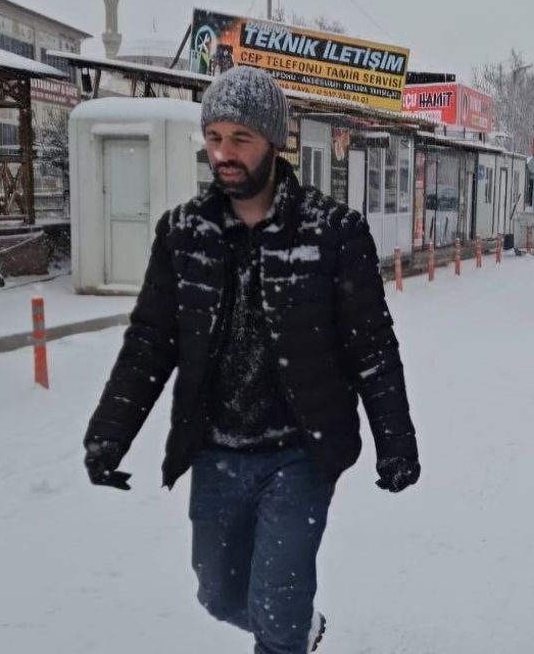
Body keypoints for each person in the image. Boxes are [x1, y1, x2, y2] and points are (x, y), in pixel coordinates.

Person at [83, 66, 421, 654]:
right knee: (218, 595)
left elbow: (372, 347)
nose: (224, 154)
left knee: (279, 603)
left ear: (273, 141)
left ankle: (289, 633)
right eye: (215, 138)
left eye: (240, 139)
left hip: (301, 452)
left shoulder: (334, 233)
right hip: (216, 451)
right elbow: (150, 343)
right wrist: (110, 434)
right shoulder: (183, 232)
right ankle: (299, 630)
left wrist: (396, 442)